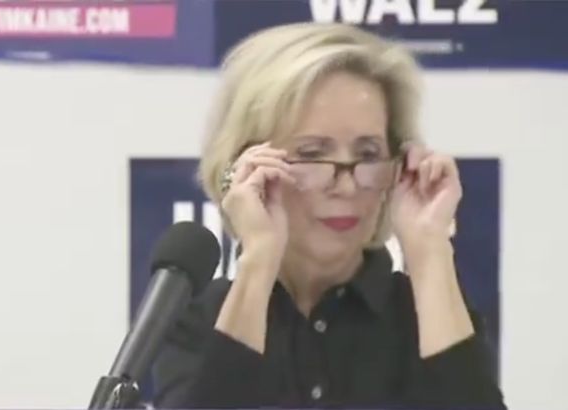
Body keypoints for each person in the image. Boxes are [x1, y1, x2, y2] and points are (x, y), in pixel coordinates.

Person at [153, 23, 506, 409]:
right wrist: (259, 257)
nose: (347, 186)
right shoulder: (199, 321)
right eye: (311, 153)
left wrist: (429, 249)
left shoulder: (429, 313)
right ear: (249, 168)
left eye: (368, 154)